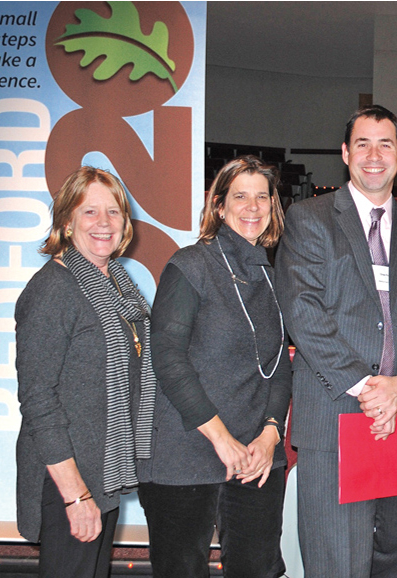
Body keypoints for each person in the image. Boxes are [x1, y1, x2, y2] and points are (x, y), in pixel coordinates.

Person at [275, 105, 397, 578]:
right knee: (337, 563)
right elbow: (302, 311)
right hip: (336, 415)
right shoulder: (309, 219)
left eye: (386, 144)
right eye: (363, 144)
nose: (375, 155)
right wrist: (368, 386)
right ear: (346, 153)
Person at [136, 156, 291, 578]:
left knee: (258, 570)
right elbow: (166, 357)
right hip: (187, 448)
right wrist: (221, 438)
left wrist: (271, 435)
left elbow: (279, 367)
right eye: (240, 196)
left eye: (263, 197)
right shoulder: (190, 265)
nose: (253, 207)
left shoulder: (273, 276)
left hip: (256, 455)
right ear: (219, 206)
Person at [14, 166, 156, 578]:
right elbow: (38, 401)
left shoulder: (116, 284)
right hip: (67, 481)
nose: (104, 224)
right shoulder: (53, 290)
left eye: (113, 212)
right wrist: (76, 495)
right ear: (66, 219)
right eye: (90, 212)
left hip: (102, 472)